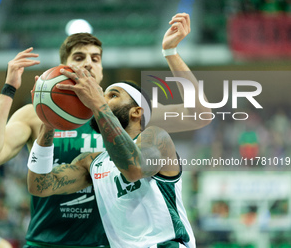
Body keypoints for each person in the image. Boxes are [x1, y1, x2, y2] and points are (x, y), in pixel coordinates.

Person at [0, 13, 209, 247]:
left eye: (95, 58)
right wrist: (10, 91)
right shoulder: (38, 118)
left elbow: (200, 114)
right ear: (63, 68)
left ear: (102, 70)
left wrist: (170, 52)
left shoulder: (128, 111)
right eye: (79, 57)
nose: (88, 63)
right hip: (47, 240)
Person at [27, 76, 196, 247]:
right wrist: (48, 124)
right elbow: (40, 186)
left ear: (137, 111)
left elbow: (134, 169)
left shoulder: (156, 138)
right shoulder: (91, 161)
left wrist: (97, 103)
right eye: (103, 96)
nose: (103, 99)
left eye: (113, 95)